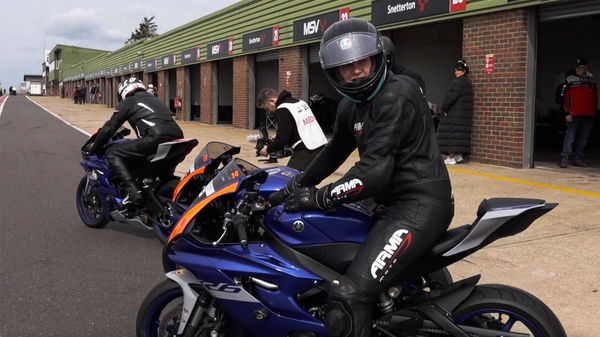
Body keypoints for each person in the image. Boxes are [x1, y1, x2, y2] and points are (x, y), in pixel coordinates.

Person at [271, 18, 453, 337]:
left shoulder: (397, 93)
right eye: (346, 66)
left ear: (376, 59)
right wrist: (292, 187)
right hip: (388, 203)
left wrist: (318, 196)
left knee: (348, 293)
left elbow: (373, 174)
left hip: (418, 205)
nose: (356, 71)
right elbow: (331, 153)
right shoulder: (350, 107)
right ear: (335, 73)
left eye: (362, 62)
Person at [86, 78, 183, 204]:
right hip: (179, 139)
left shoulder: (129, 101)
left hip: (155, 139)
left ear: (123, 91)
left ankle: (133, 191)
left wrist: (94, 148)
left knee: (112, 153)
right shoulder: (156, 100)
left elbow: (110, 127)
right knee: (158, 172)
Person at [256, 88, 328, 171]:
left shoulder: (282, 109)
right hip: (321, 146)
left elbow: (282, 141)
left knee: (290, 179)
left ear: (272, 101)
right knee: (307, 180)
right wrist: (278, 134)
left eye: (267, 108)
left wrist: (268, 149)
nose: (268, 111)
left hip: (307, 150)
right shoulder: (300, 102)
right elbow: (302, 123)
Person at [559, 57, 597, 168]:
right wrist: (566, 113)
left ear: (586, 67)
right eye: (577, 67)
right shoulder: (570, 80)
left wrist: (594, 112)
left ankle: (578, 158)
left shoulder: (591, 80)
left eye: (581, 67)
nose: (579, 70)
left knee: (583, 138)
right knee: (570, 137)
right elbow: (563, 99)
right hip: (574, 115)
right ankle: (564, 158)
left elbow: (595, 97)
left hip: (588, 115)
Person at [436, 59, 474, 165]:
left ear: (464, 71)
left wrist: (443, 109)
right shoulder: (467, 83)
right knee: (460, 135)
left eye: (459, 70)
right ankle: (458, 156)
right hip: (463, 115)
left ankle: (451, 156)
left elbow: (450, 98)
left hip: (454, 115)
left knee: (452, 134)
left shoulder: (458, 83)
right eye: (456, 70)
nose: (456, 72)